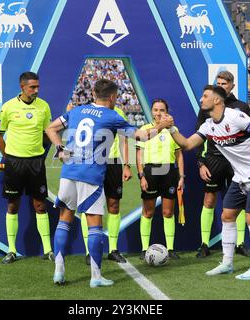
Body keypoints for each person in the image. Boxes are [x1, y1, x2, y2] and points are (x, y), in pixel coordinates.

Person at [45, 79, 172, 287]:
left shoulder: (77, 111)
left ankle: (58, 271)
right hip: (91, 174)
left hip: (68, 171)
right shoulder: (112, 116)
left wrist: (60, 149)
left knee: (64, 220)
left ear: (94, 93)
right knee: (94, 225)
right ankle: (96, 277)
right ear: (112, 97)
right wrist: (162, 125)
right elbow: (141, 135)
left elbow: (51, 128)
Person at [168, 85, 250, 280]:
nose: (201, 99)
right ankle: (227, 263)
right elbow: (187, 144)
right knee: (227, 216)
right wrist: (171, 128)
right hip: (240, 176)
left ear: (217, 100)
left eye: (205, 96)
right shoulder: (208, 125)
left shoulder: (235, 116)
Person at [0, 72, 53, 264]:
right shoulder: (8, 107)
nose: (36, 90)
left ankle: (48, 250)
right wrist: (7, 158)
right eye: (32, 87)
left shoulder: (43, 106)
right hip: (14, 163)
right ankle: (11, 250)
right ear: (22, 87)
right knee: (13, 205)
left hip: (36, 162)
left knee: (40, 205)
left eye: (37, 87)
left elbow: (48, 133)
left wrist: (42, 150)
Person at [195, 71, 250, 258]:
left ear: (232, 86)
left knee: (241, 201)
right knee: (209, 199)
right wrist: (200, 162)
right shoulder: (207, 107)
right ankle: (204, 244)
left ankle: (240, 243)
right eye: (218, 82)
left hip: (236, 161)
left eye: (225, 83)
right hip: (214, 158)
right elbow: (198, 134)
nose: (221, 85)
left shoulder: (241, 107)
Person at [68, 104, 132, 265]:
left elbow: (124, 140)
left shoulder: (118, 112)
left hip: (113, 163)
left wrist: (126, 165)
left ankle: (113, 249)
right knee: (88, 206)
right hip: (92, 162)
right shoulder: (88, 111)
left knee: (114, 205)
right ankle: (90, 252)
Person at [136, 98, 184, 260]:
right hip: (151, 172)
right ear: (151, 111)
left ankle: (170, 248)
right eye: (155, 110)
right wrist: (141, 175)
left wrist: (181, 176)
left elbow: (179, 154)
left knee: (168, 212)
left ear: (167, 112)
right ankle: (144, 248)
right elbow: (139, 154)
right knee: (148, 212)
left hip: (169, 172)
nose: (158, 113)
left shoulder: (173, 130)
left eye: (161, 110)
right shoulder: (145, 129)